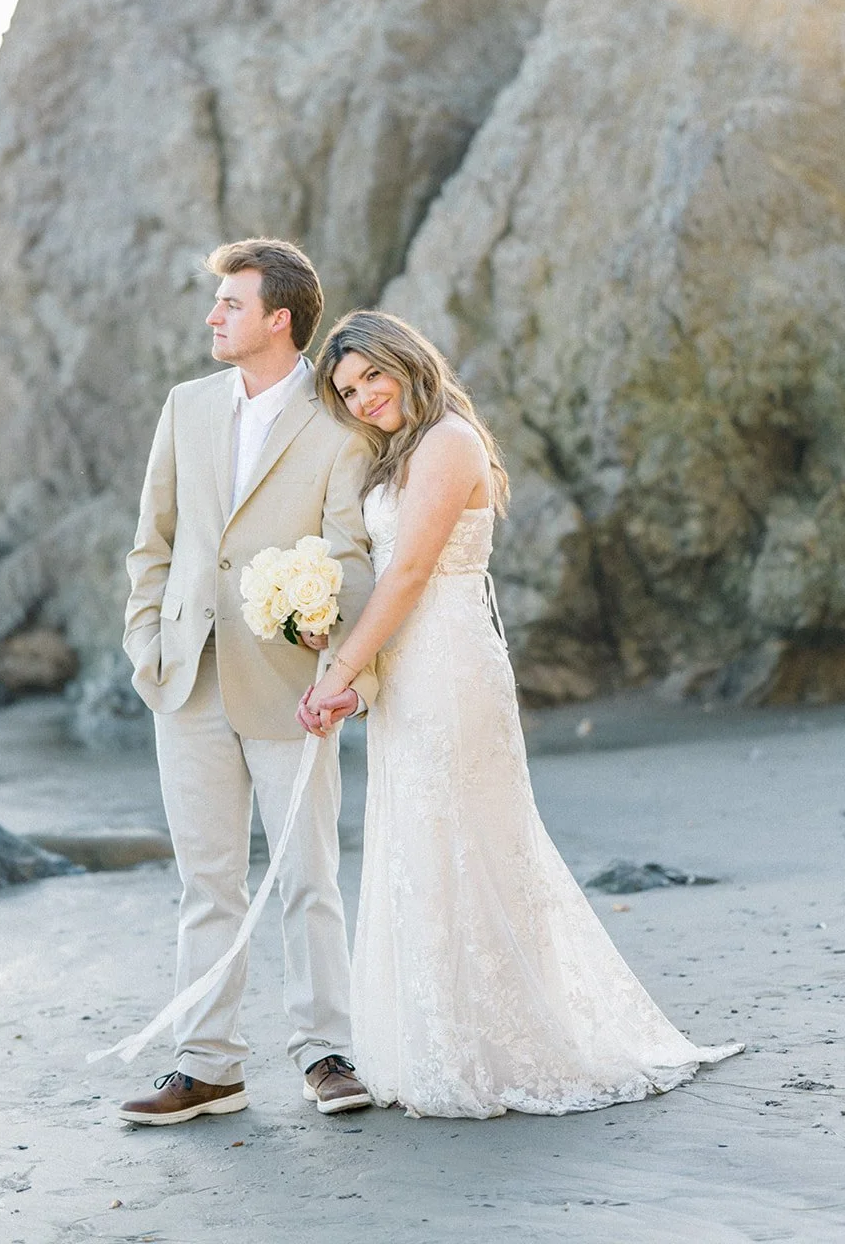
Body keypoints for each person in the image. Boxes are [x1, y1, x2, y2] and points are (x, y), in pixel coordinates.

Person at [300, 309, 742, 1119]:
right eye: (346, 389)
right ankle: (439, 1040)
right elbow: (376, 577)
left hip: (450, 665)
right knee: (419, 840)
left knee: (468, 837)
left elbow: (406, 579)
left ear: (406, 363)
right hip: (407, 668)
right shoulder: (393, 454)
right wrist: (340, 647)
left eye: (371, 377)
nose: (361, 398)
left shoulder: (449, 442)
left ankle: (504, 1047)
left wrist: (340, 674)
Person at [118, 239, 377, 1125]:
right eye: (216, 303)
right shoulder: (185, 406)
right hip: (184, 678)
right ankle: (208, 1066)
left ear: (280, 318)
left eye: (231, 304)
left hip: (292, 686)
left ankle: (325, 1050)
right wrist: (144, 642)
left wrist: (337, 662)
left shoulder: (339, 422)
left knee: (309, 874)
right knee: (208, 882)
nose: (212, 317)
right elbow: (154, 538)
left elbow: (350, 555)